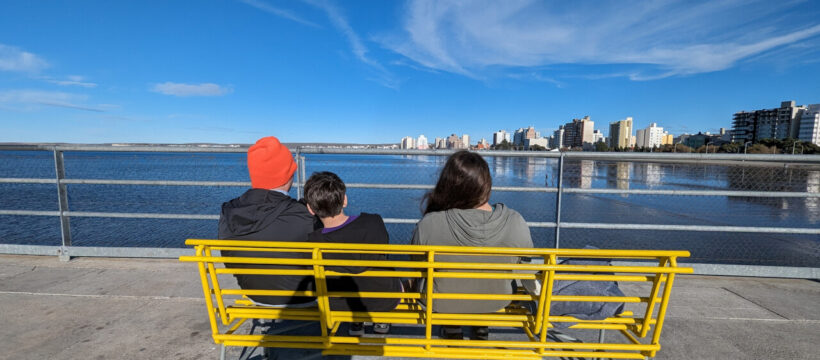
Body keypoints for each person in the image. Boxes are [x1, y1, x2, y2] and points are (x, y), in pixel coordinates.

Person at [411, 150, 533, 340]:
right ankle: (480, 323)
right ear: (486, 184)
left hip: (442, 302)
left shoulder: (430, 224)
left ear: (448, 184)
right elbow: (526, 266)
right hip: (497, 301)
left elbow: (416, 263)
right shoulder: (515, 221)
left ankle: (451, 325)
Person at [218, 136, 319, 306]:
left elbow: (228, 258)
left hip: (254, 293)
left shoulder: (228, 211)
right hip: (305, 297)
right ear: (289, 175)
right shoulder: (304, 215)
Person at [303, 171, 402, 336]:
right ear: (345, 200)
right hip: (385, 299)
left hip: (337, 304)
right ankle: (381, 319)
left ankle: (356, 323)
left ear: (310, 209)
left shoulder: (313, 243)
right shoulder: (373, 222)